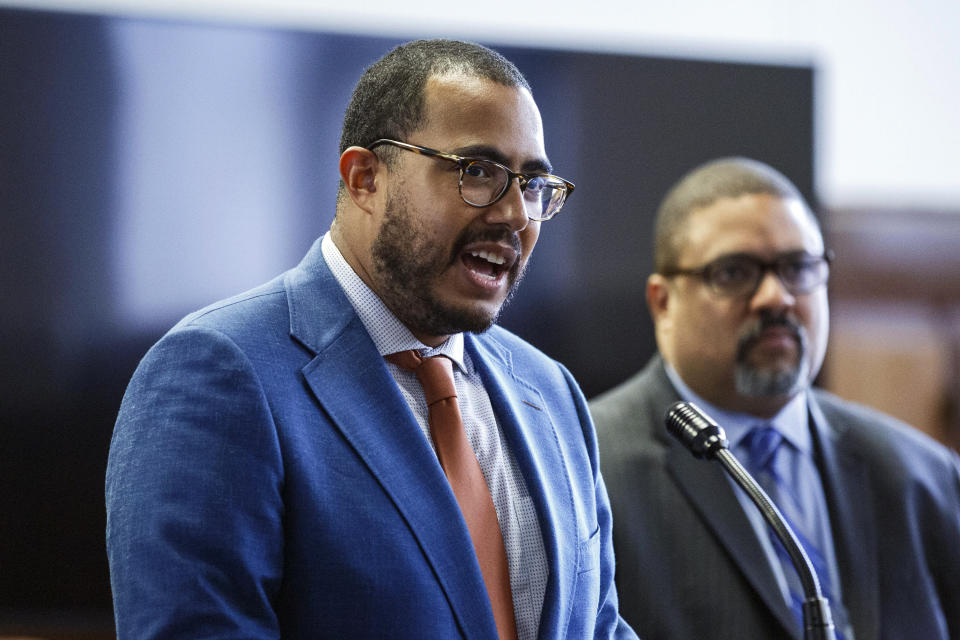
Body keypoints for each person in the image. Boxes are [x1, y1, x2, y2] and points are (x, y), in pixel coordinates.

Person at [105, 39, 636, 640]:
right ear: (364, 178)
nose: (516, 214)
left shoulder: (551, 392)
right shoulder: (218, 372)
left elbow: (598, 625)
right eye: (478, 172)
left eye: (535, 185)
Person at [590, 157, 960, 640]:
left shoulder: (923, 475)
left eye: (797, 268)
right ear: (664, 302)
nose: (775, 297)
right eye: (734, 271)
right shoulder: (588, 471)